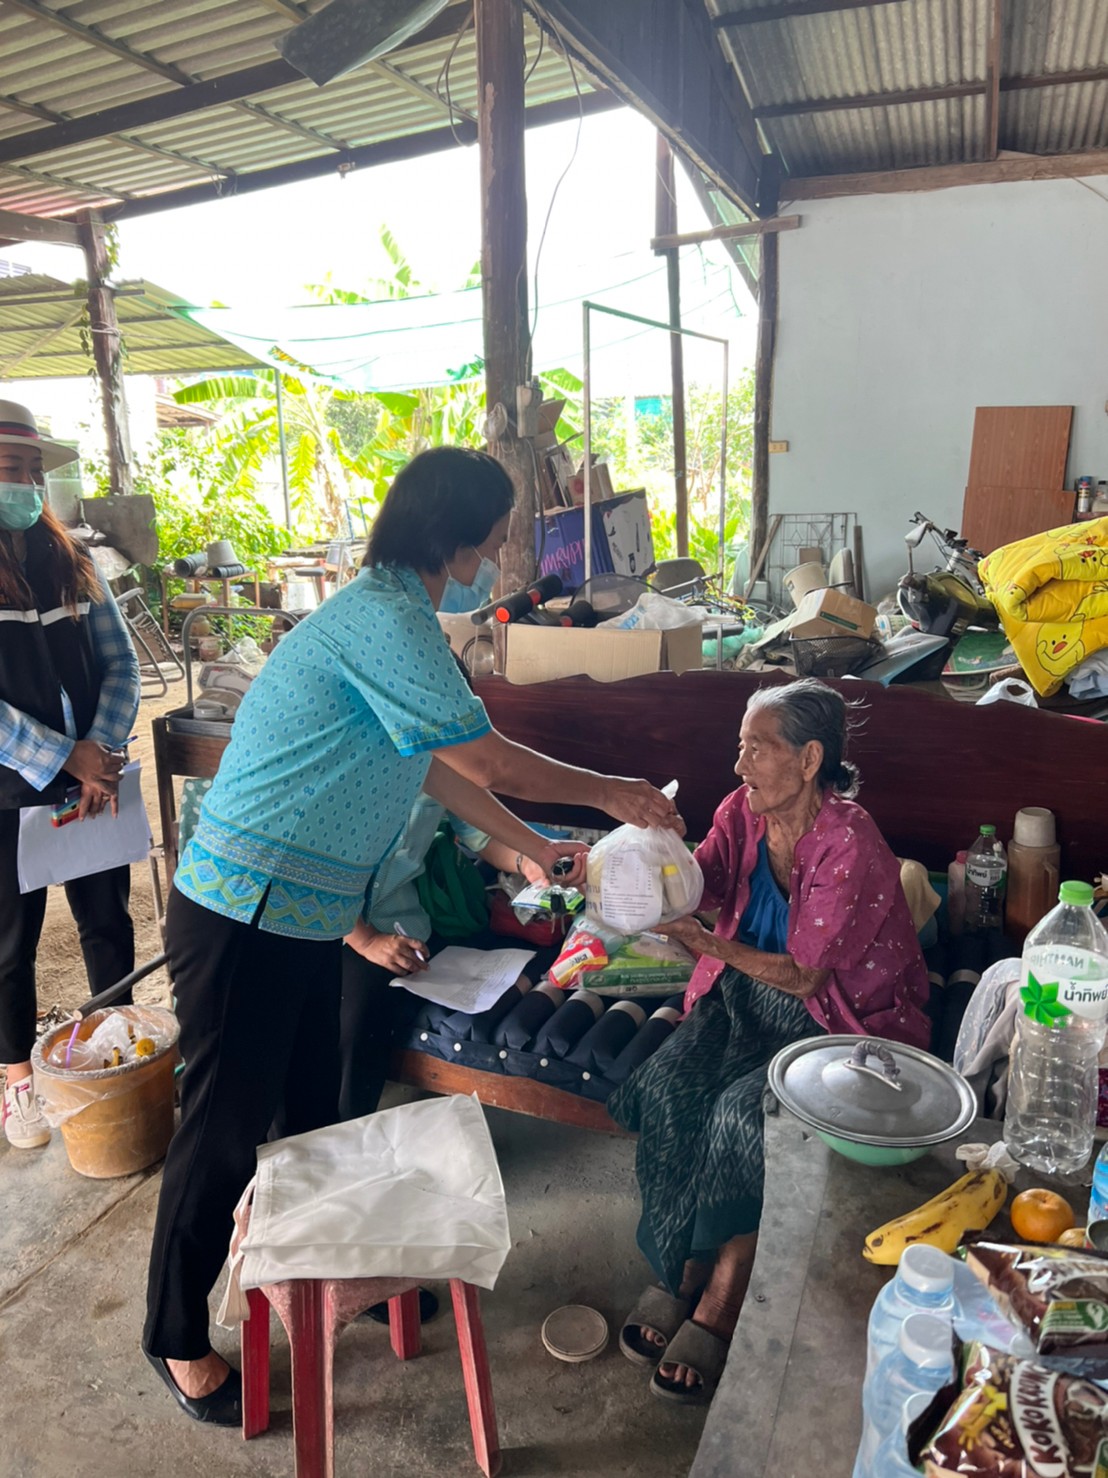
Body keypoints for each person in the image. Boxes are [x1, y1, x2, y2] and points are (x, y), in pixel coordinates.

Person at [143, 445, 681, 1426]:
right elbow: (479, 754)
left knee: (309, 1112)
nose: (500, 553)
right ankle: (175, 1332)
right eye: (494, 535)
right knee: (223, 1125)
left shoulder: (395, 614)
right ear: (457, 535)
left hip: (299, 915)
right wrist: (607, 794)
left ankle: (329, 1280)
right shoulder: (386, 619)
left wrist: (536, 847)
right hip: (241, 907)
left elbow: (432, 766)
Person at [610, 678, 929, 1404]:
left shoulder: (849, 842)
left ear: (811, 758)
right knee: (665, 1088)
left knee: (736, 1113)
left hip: (838, 1021)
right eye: (740, 746)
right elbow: (704, 883)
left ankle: (723, 1289)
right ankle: (678, 1263)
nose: (740, 765)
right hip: (741, 1000)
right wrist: (646, 852)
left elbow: (809, 976)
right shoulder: (741, 812)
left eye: (758, 748)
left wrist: (702, 944)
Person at [0, 399, 140, 1152]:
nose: (24, 485)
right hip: (9, 789)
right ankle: (19, 1083)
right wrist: (62, 755)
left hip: (93, 782)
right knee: (6, 944)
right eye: (8, 470)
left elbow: (120, 660)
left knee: (107, 921)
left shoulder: (71, 559)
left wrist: (101, 746)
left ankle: (112, 1046)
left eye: (30, 471)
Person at [340, 788, 556, 1122]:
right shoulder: (351, 765)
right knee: (347, 1017)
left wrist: (528, 862)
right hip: (333, 924)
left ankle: (346, 1131)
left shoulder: (439, 761)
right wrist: (366, 941)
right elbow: (311, 863)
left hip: (402, 920)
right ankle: (333, 1135)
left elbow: (481, 835)